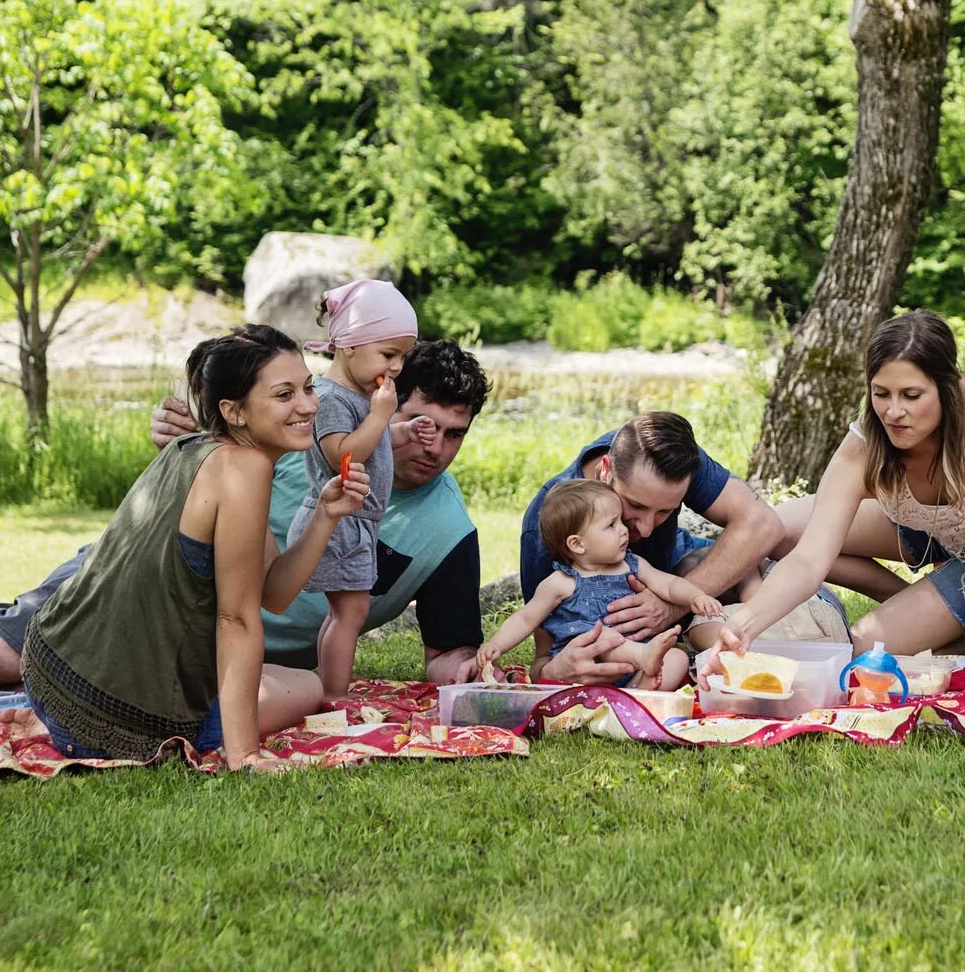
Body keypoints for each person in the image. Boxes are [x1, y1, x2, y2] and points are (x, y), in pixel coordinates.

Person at [0, 341, 495, 702]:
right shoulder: (303, 434)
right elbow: (207, 444)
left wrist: (468, 671)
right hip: (147, 590)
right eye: (419, 422)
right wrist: (177, 434)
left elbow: (445, 656)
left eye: (453, 434)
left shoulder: (448, 531)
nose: (433, 443)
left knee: (108, 700)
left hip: (226, 660)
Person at [21, 325, 362, 770]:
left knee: (286, 680)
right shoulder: (245, 469)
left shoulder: (192, 446)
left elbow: (273, 594)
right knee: (307, 689)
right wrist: (245, 755)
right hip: (103, 715)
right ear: (234, 411)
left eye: (308, 387)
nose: (308, 406)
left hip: (48, 668)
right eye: (284, 395)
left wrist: (325, 515)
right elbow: (236, 618)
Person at [713, 309, 965, 659]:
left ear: (946, 387)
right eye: (881, 394)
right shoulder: (863, 447)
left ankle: (959, 629)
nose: (893, 412)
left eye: (911, 396)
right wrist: (743, 626)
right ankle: (935, 617)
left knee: (867, 646)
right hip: (933, 529)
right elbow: (809, 558)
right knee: (775, 529)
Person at [517, 411, 804, 681]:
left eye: (665, 512)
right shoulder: (549, 527)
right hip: (627, 638)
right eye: (635, 506)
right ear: (606, 470)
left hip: (682, 574)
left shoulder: (666, 453)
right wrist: (557, 671)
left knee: (794, 589)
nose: (644, 528)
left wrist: (670, 606)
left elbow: (764, 523)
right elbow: (541, 659)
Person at [287, 279, 421, 702]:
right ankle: (332, 695)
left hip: (354, 522)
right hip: (336, 523)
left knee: (345, 612)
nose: (397, 366)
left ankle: (329, 690)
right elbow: (343, 455)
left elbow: (374, 445)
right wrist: (382, 417)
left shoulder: (362, 395)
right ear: (348, 345)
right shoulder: (330, 398)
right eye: (388, 354)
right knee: (351, 612)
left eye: (402, 356)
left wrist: (399, 431)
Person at [479, 480, 720, 688]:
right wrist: (495, 645)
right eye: (611, 525)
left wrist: (694, 596)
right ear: (578, 544)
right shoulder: (562, 583)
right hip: (588, 667)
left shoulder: (632, 563)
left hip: (633, 663)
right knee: (599, 635)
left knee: (676, 658)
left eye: (621, 521)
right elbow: (525, 619)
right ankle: (640, 666)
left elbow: (667, 584)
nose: (624, 530)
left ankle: (636, 692)